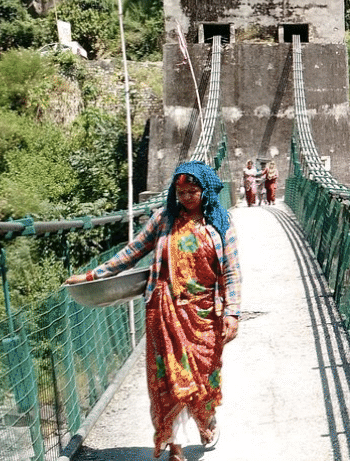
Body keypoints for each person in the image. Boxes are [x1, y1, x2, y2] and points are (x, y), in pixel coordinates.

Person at [65, 161, 241, 461]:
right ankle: (175, 446)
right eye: (180, 191)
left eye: (193, 191)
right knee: (168, 380)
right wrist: (93, 275)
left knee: (202, 376)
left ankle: (205, 419)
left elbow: (232, 272)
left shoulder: (221, 224)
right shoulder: (164, 219)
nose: (186, 197)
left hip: (204, 315)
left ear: (206, 190)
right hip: (164, 312)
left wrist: (232, 312)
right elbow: (131, 252)